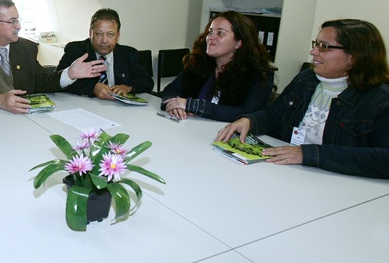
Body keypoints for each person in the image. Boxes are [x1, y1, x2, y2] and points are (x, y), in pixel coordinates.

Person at [216, 18, 389, 178]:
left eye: (324, 46)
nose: (313, 52)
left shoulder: (380, 100)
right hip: (291, 173)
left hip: (339, 185)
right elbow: (275, 116)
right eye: (316, 44)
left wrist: (309, 154)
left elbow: (384, 159)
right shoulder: (306, 79)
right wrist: (250, 121)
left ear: (354, 57)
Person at [0, 0, 105, 113]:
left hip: (22, 123)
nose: (19, 26)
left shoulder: (27, 48)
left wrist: (69, 74)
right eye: (12, 21)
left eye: (18, 20)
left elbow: (41, 83)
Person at [160, 11, 276, 122]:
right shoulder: (199, 63)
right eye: (210, 32)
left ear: (239, 43)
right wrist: (174, 106)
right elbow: (170, 90)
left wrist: (192, 105)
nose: (210, 37)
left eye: (220, 33)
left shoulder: (259, 74)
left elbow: (247, 113)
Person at [57, 8, 153, 99]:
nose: (104, 40)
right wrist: (93, 87)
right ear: (90, 33)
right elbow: (58, 80)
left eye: (110, 34)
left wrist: (127, 87)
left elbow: (147, 82)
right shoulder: (76, 50)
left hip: (118, 110)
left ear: (118, 35)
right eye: (99, 34)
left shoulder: (128, 54)